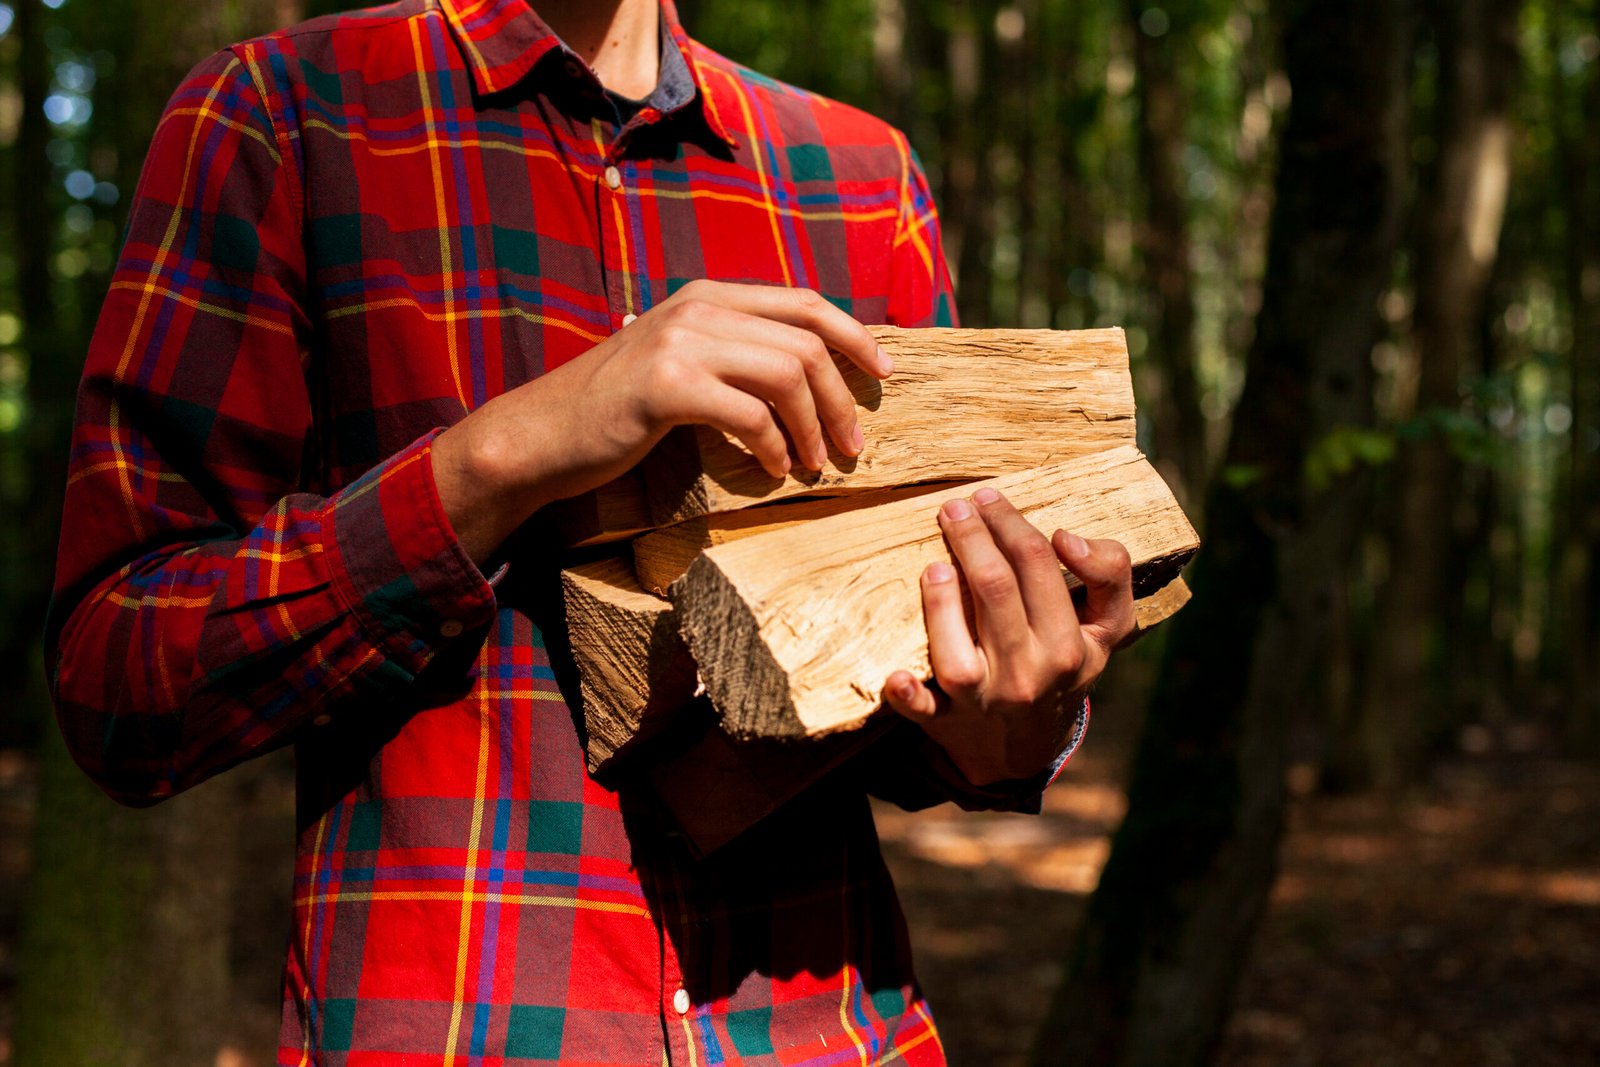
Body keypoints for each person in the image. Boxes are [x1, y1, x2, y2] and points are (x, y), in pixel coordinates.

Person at [46, 0, 1136, 1062]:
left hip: (832, 1033)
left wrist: (1016, 714)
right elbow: (122, 681)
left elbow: (929, 732)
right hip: (458, 1029)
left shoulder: (858, 178)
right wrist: (503, 455)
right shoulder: (290, 115)